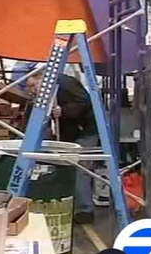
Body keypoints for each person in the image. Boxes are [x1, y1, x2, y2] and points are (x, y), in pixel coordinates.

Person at [25, 69, 99, 224]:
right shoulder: (44, 94)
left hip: (84, 131)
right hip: (68, 132)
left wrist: (64, 111)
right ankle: (70, 203)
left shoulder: (66, 83)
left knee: (80, 168)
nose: (32, 90)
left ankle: (85, 210)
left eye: (33, 85)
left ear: (42, 78)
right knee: (67, 168)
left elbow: (84, 102)